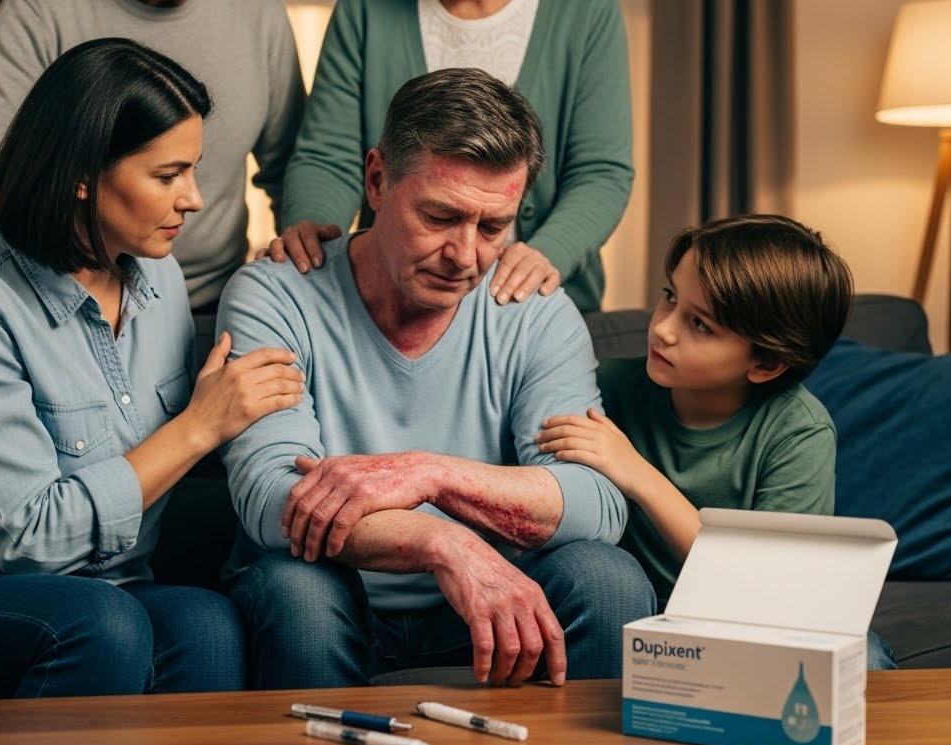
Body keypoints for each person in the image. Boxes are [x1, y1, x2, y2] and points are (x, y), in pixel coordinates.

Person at [0, 39, 306, 701]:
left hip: (95, 585)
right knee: (101, 625)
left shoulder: (162, 281)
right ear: (81, 173)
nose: (193, 199)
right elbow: (29, 540)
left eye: (192, 171)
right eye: (167, 175)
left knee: (205, 621)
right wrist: (198, 427)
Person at [219, 67, 656, 691]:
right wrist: (443, 543)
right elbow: (273, 500)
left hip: (492, 607)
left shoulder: (533, 309)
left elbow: (595, 502)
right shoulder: (276, 293)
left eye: (492, 227)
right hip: (331, 597)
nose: (465, 256)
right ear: (376, 180)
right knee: (298, 591)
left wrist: (433, 473)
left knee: (608, 578)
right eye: (440, 216)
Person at [535, 213, 897, 670]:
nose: (664, 328)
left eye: (700, 324)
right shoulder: (607, 387)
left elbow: (762, 587)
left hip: (746, 623)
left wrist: (638, 475)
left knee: (863, 656)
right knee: (601, 578)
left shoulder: (798, 430)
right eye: (669, 298)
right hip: (628, 617)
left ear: (765, 365)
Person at [0, 0, 305, 328]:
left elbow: (293, 162)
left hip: (212, 303)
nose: (194, 200)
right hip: (66, 302)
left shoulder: (261, 13)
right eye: (168, 176)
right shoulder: (40, 10)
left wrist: (301, 273)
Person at [265, 0, 634, 314]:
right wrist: (315, 237)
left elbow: (600, 172)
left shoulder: (586, 11)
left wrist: (546, 254)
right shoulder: (365, 8)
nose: (464, 256)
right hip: (394, 302)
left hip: (528, 301)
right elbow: (329, 155)